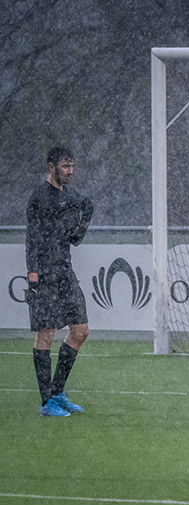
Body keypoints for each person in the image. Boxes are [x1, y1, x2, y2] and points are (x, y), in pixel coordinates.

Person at [25, 147, 93, 417]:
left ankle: (58, 391)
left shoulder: (72, 198)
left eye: (72, 166)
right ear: (51, 167)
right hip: (44, 274)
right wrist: (33, 275)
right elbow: (32, 239)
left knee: (81, 330)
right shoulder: (39, 198)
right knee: (46, 334)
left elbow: (74, 240)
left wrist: (85, 220)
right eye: (66, 166)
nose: (70, 171)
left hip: (65, 272)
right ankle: (46, 403)